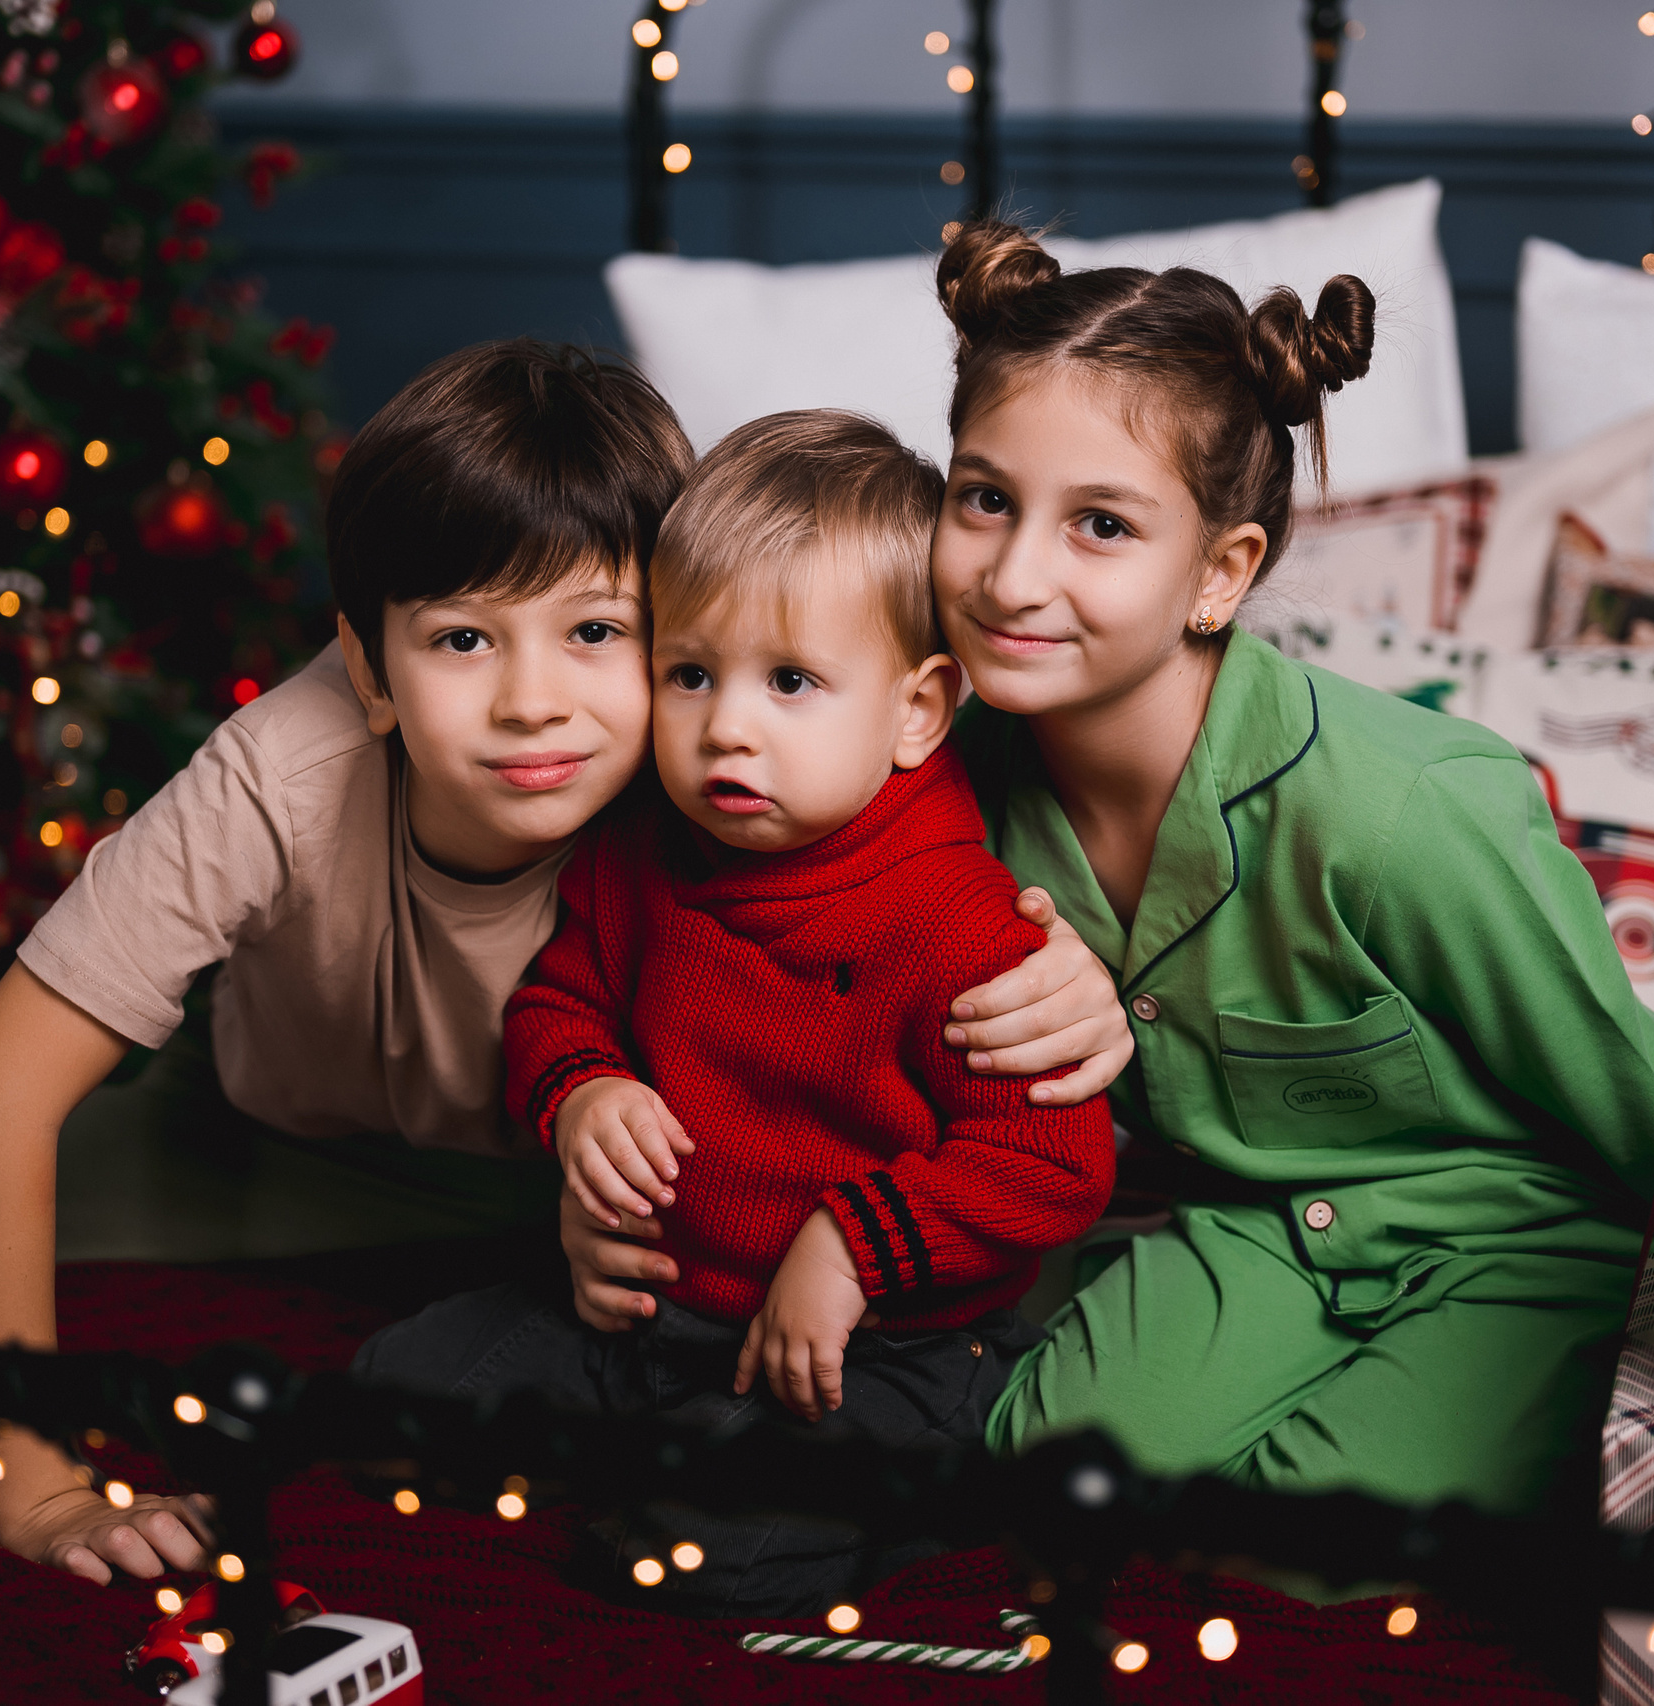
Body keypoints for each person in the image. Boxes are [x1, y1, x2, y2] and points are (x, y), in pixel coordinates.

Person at [0, 341, 1134, 1584]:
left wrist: (1087, 979)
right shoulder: (288, 771)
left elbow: (972, 838)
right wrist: (35, 1477)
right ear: (371, 668)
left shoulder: (747, 743)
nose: (534, 699)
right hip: (279, 1134)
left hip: (635, 1195)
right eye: (463, 639)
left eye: (602, 631)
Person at [568, 230, 1654, 1520]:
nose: (1011, 574)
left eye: (1100, 524)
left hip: (1511, 1236)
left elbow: (1645, 1107)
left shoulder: (1405, 809)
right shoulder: (927, 759)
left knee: (1316, 1537)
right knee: (1049, 1487)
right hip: (1250, 1226)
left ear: (1219, 573)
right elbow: (755, 981)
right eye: (984, 498)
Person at [351, 412, 1117, 1614]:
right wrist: (583, 1091)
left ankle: (929, 1473)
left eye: (792, 681)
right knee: (383, 1406)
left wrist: (854, 1243)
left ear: (917, 711)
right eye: (690, 671)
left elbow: (1047, 1161)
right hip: (645, 1309)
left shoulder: (964, 923)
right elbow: (561, 998)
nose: (726, 726)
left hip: (868, 1350)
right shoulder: (646, 851)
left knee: (683, 1556)